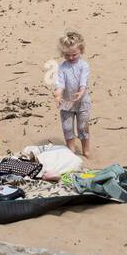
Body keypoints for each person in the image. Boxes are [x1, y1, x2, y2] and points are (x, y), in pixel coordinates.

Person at [54, 31, 92, 159]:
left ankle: (86, 151)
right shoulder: (61, 68)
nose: (70, 58)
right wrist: (58, 95)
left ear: (81, 50)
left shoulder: (84, 65)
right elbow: (60, 84)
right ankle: (71, 151)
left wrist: (81, 92)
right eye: (67, 55)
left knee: (83, 127)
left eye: (74, 55)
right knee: (67, 127)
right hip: (66, 103)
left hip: (82, 102)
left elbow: (83, 82)